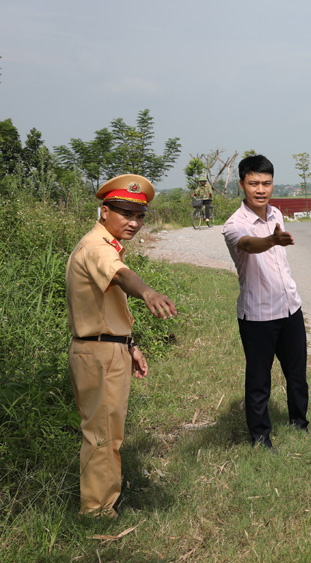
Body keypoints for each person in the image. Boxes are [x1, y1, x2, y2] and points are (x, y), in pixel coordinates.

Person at [66, 174, 178, 517]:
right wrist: (147, 292)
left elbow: (106, 309)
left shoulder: (105, 244)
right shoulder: (96, 247)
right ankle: (97, 510)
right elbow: (121, 275)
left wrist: (129, 345)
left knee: (109, 433)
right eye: (125, 213)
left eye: (140, 216)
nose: (134, 222)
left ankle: (104, 504)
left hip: (109, 348)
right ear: (104, 211)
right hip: (97, 353)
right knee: (101, 435)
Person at [222, 155, 309, 450]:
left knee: (297, 374)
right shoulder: (234, 225)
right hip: (258, 316)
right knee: (259, 381)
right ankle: (261, 439)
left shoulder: (276, 215)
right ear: (242, 184)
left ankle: (300, 424)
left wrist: (275, 237)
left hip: (289, 308)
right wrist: (271, 241)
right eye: (254, 183)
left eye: (267, 183)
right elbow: (248, 244)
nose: (261, 189)